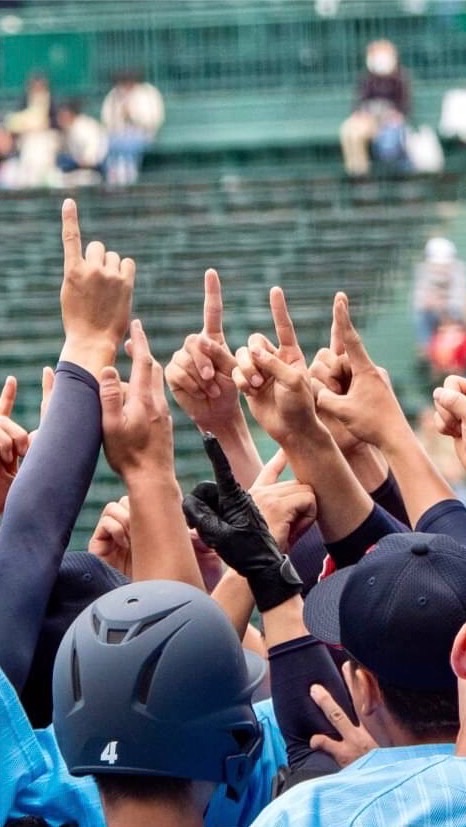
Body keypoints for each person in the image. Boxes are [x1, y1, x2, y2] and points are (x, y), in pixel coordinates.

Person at [339, 39, 411, 176]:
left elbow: (404, 107)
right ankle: (357, 172)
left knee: (383, 142)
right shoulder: (367, 78)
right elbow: (358, 103)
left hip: (388, 122)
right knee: (348, 131)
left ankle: (364, 175)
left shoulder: (400, 77)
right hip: (368, 119)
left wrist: (391, 115)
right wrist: (361, 113)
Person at [101, 70, 165, 185]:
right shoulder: (114, 94)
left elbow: (154, 120)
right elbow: (107, 121)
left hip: (143, 135)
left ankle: (129, 182)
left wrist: (132, 115)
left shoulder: (148, 92)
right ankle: (113, 182)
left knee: (129, 146)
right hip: (119, 135)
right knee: (109, 145)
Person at [412, 237, 466, 366]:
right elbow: (421, 303)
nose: (441, 269)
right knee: (421, 316)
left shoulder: (459, 270)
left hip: (455, 314)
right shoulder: (422, 272)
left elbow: (460, 300)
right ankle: (426, 349)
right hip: (433, 315)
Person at [56, 99, 108, 185]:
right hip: (80, 170)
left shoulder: (85, 127)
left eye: (63, 115)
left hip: (95, 171)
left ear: (70, 114)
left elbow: (92, 157)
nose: (60, 119)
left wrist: (85, 161)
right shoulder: (70, 129)